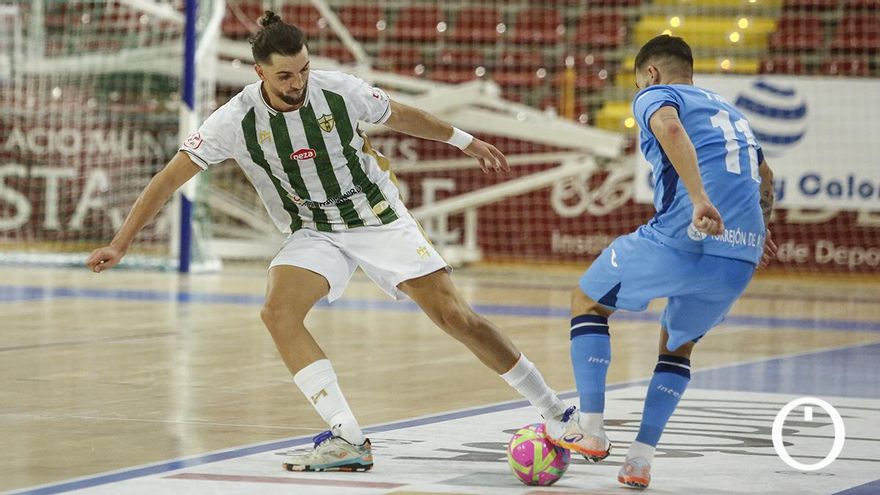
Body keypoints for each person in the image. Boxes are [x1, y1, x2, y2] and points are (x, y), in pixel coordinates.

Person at [85, 11, 591, 473]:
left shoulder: (338, 90)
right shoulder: (233, 120)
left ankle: (558, 412)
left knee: (454, 316)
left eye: (302, 70)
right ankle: (347, 438)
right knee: (278, 311)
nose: (297, 82)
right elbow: (168, 179)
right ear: (259, 72)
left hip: (375, 216)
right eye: (285, 75)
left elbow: (401, 114)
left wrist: (464, 140)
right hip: (313, 230)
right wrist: (122, 243)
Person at [545, 34, 778, 489]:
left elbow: (669, 128)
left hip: (683, 235)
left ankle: (590, 428)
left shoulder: (656, 95)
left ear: (649, 74)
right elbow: (766, 176)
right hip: (741, 254)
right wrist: (763, 227)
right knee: (677, 346)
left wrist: (698, 199)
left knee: (586, 301)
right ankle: (639, 460)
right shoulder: (732, 113)